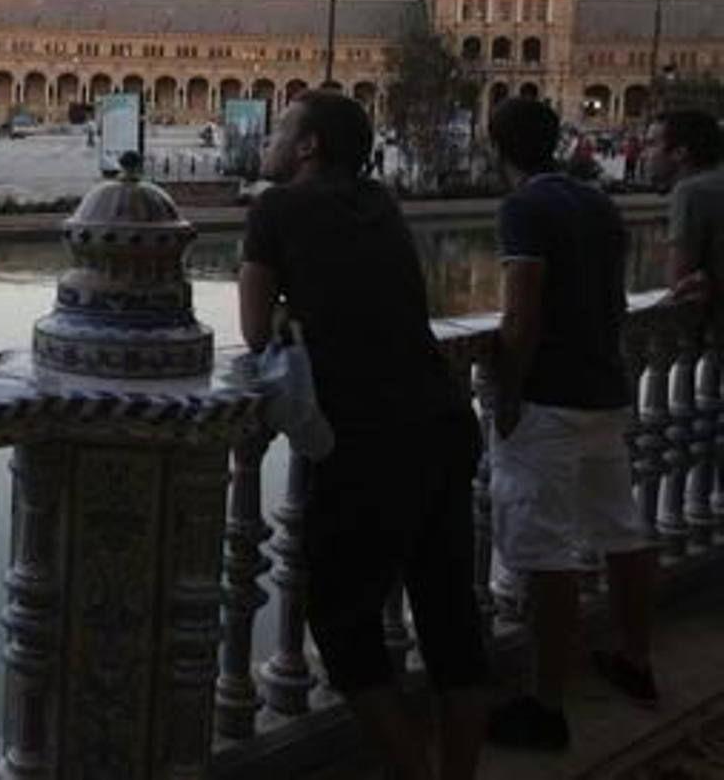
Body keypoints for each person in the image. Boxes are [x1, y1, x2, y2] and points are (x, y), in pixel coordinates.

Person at [239, 90, 487, 779]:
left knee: (343, 627)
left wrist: (294, 307)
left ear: (309, 146)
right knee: (450, 622)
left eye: (284, 128)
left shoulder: (276, 208)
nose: (272, 137)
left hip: (371, 442)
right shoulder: (382, 202)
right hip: (443, 421)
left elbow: (255, 332)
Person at [485, 97, 657, 752]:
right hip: (604, 388)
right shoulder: (597, 201)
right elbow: (613, 299)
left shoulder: (524, 206)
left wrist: (509, 390)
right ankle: (636, 662)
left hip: (550, 399)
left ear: (495, 145)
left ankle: (544, 704)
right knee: (622, 531)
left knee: (544, 554)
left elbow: (520, 312)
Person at [642, 109, 724, 318]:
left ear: (680, 152)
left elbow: (678, 283)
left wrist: (663, 250)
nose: (645, 154)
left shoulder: (691, 192)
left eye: (652, 144)